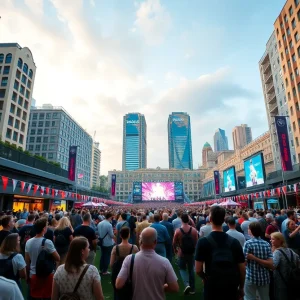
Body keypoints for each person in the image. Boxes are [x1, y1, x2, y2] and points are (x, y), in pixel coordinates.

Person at [195, 206, 245, 300]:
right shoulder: (234, 242)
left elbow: (198, 269)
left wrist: (204, 278)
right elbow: (242, 269)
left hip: (212, 284)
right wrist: (241, 287)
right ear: (224, 220)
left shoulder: (202, 242)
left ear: (210, 219)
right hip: (231, 284)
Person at [116, 227, 179, 300]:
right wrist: (163, 287)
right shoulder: (164, 262)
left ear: (140, 241)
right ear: (155, 242)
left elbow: (118, 284)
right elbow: (175, 288)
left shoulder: (129, 259)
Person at [25, 217, 60, 300]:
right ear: (44, 228)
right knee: (47, 297)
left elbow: (27, 261)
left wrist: (27, 275)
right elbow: (57, 258)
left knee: (34, 296)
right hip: (46, 274)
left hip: (33, 274)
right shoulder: (47, 242)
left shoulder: (28, 242)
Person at [243, 222, 273, 300]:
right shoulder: (266, 244)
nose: (248, 230)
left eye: (249, 229)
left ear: (251, 231)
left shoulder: (248, 244)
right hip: (264, 277)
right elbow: (270, 263)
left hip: (251, 276)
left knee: (249, 297)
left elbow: (244, 263)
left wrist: (254, 258)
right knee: (265, 297)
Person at [110, 227, 139, 300]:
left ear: (120, 235)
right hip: (130, 272)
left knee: (118, 293)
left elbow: (111, 264)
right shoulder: (134, 247)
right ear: (129, 235)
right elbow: (139, 262)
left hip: (118, 272)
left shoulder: (115, 248)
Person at [173, 213, 198, 295]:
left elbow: (174, 243)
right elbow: (196, 242)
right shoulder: (194, 230)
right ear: (189, 220)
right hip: (191, 253)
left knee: (182, 269)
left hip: (182, 253)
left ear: (181, 220)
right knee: (191, 270)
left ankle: (187, 284)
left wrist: (175, 251)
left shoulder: (178, 231)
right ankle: (193, 289)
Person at [271, 232, 300, 300]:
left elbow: (273, 266)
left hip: (280, 281)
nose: (270, 240)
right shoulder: (290, 250)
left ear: (279, 240)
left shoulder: (277, 252)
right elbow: (298, 260)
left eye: (273, 239)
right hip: (292, 279)